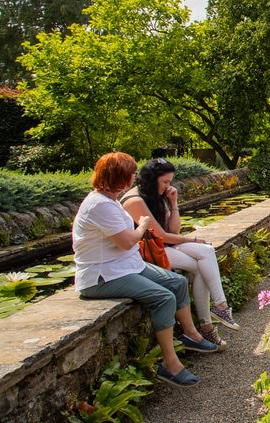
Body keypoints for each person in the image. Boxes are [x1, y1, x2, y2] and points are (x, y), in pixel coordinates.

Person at [73, 152, 217, 389]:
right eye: (130, 173)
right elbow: (127, 241)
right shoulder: (99, 205)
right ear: (121, 177)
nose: (134, 177)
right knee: (163, 298)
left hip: (125, 267)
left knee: (177, 282)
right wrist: (142, 227)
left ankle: (192, 335)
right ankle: (169, 364)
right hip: (102, 276)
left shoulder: (108, 201)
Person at [121, 158, 240, 351]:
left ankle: (215, 315)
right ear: (152, 179)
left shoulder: (156, 194)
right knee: (202, 263)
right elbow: (160, 235)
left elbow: (173, 231)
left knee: (206, 253)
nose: (169, 186)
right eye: (165, 182)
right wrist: (191, 240)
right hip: (148, 253)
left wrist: (173, 203)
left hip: (165, 247)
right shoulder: (135, 200)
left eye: (170, 182)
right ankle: (211, 319)